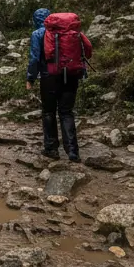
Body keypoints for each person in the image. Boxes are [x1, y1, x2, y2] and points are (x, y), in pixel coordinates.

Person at [26, 8, 92, 162]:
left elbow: (34, 58)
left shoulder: (37, 34)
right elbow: (87, 51)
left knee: (49, 112)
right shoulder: (70, 31)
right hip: (71, 75)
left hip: (48, 77)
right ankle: (73, 152)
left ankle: (51, 149)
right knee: (66, 112)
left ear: (35, 20)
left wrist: (30, 78)